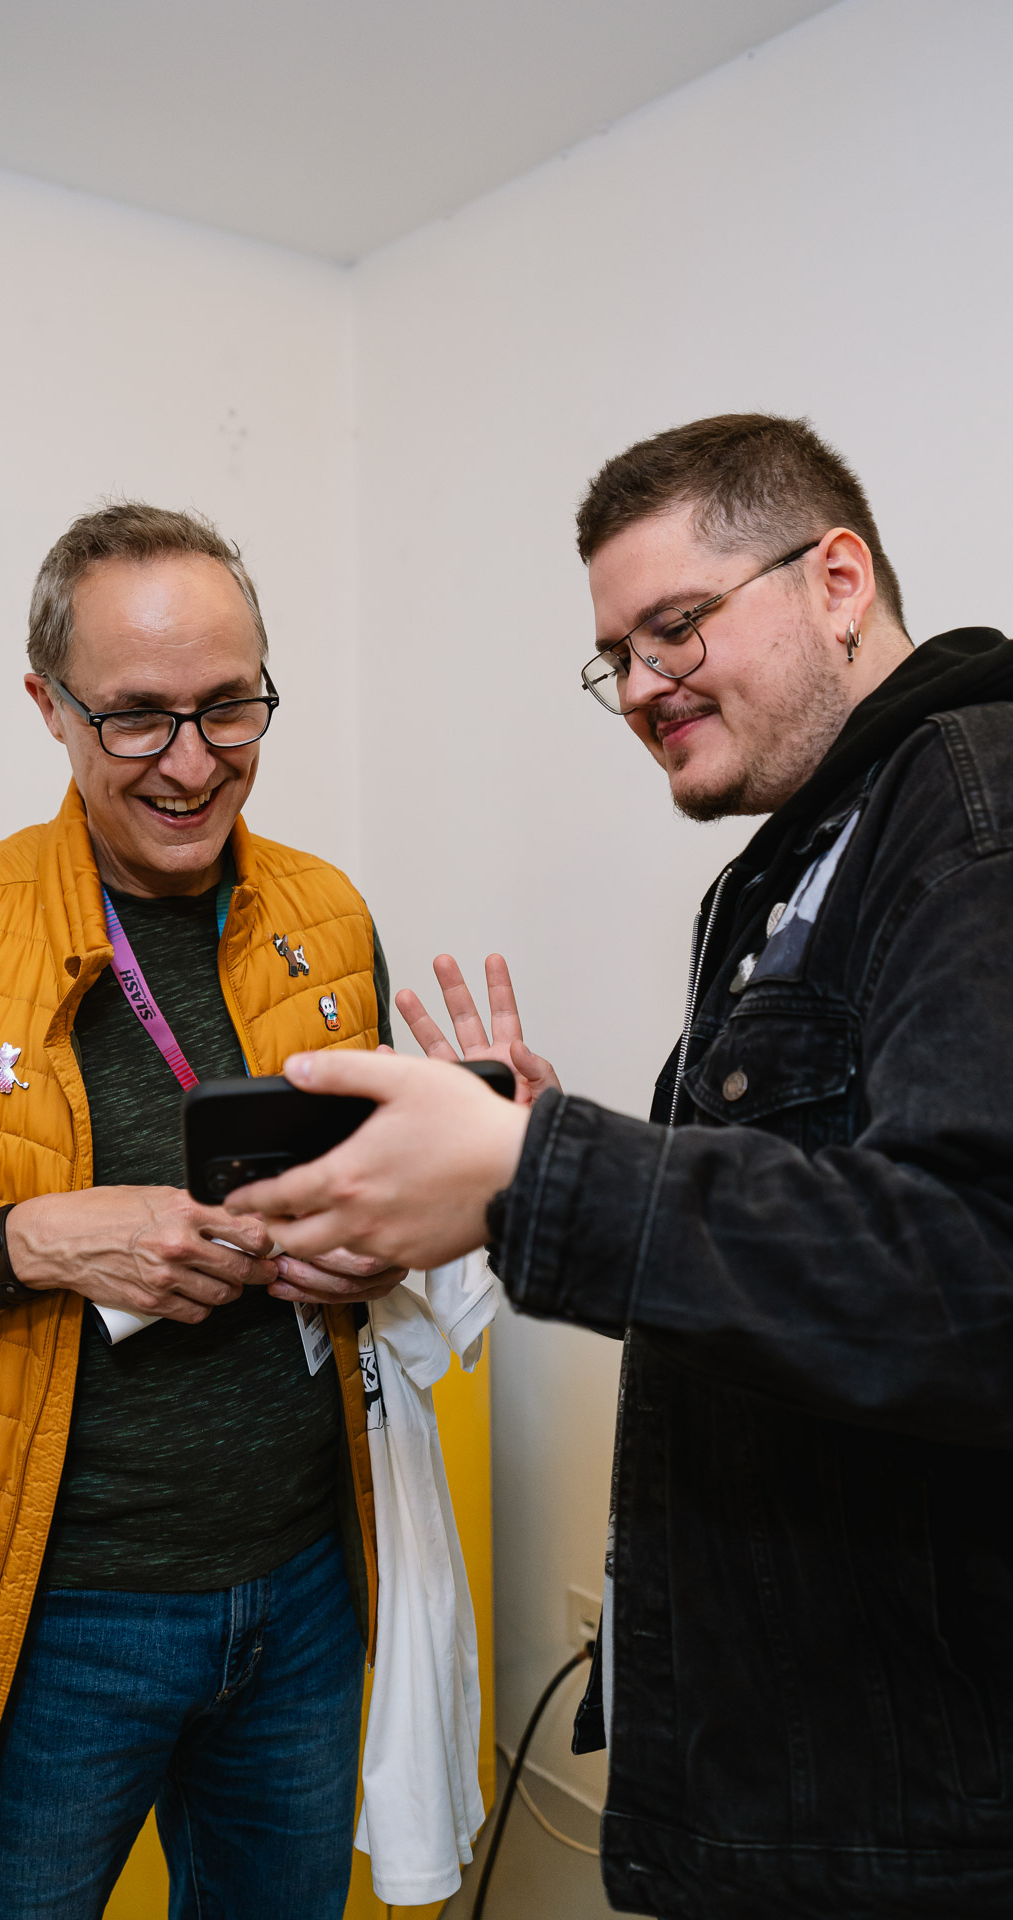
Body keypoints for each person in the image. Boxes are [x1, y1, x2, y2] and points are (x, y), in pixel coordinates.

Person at [223, 415, 1013, 1917]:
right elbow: (829, 1201)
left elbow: (975, 1270)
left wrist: (535, 1172)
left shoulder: (975, 811)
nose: (644, 686)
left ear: (838, 580)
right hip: (802, 1763)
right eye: (618, 657)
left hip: (919, 1814)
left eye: (678, 626)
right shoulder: (799, 853)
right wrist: (543, 1134)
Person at [0, 503, 406, 1920]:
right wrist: (33, 1242)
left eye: (229, 706)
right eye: (134, 718)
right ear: (48, 707)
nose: (192, 763)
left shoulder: (328, 913)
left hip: (306, 1593)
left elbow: (375, 1211)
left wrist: (424, 1209)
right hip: (47, 1629)